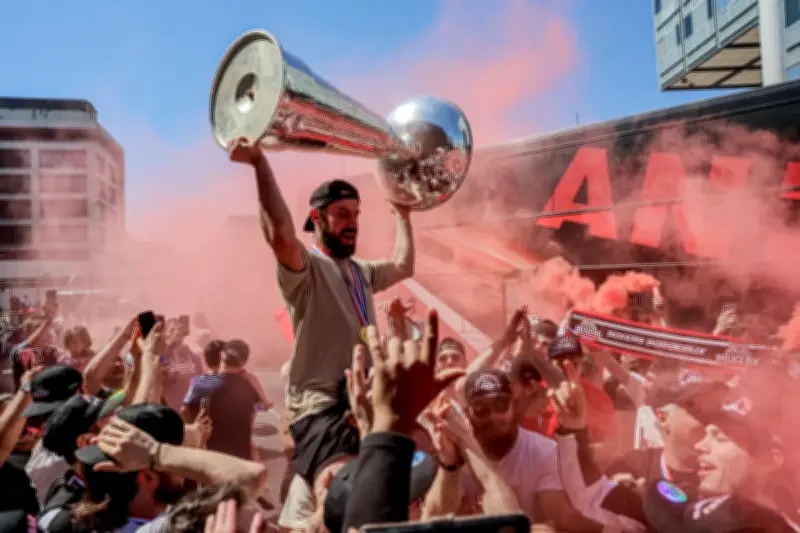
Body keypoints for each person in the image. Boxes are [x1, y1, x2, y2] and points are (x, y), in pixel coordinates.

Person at [227, 139, 415, 492]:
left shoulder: (361, 271)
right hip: (323, 409)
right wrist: (259, 163)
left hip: (364, 405)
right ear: (317, 218)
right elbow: (281, 237)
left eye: (356, 214)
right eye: (342, 214)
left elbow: (404, 265)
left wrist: (402, 215)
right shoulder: (307, 268)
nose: (353, 223)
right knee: (343, 493)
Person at [181, 340, 261, 460]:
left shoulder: (198, 383)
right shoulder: (246, 384)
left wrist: (195, 430)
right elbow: (252, 415)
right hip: (240, 454)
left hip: (208, 452)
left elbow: (184, 410)